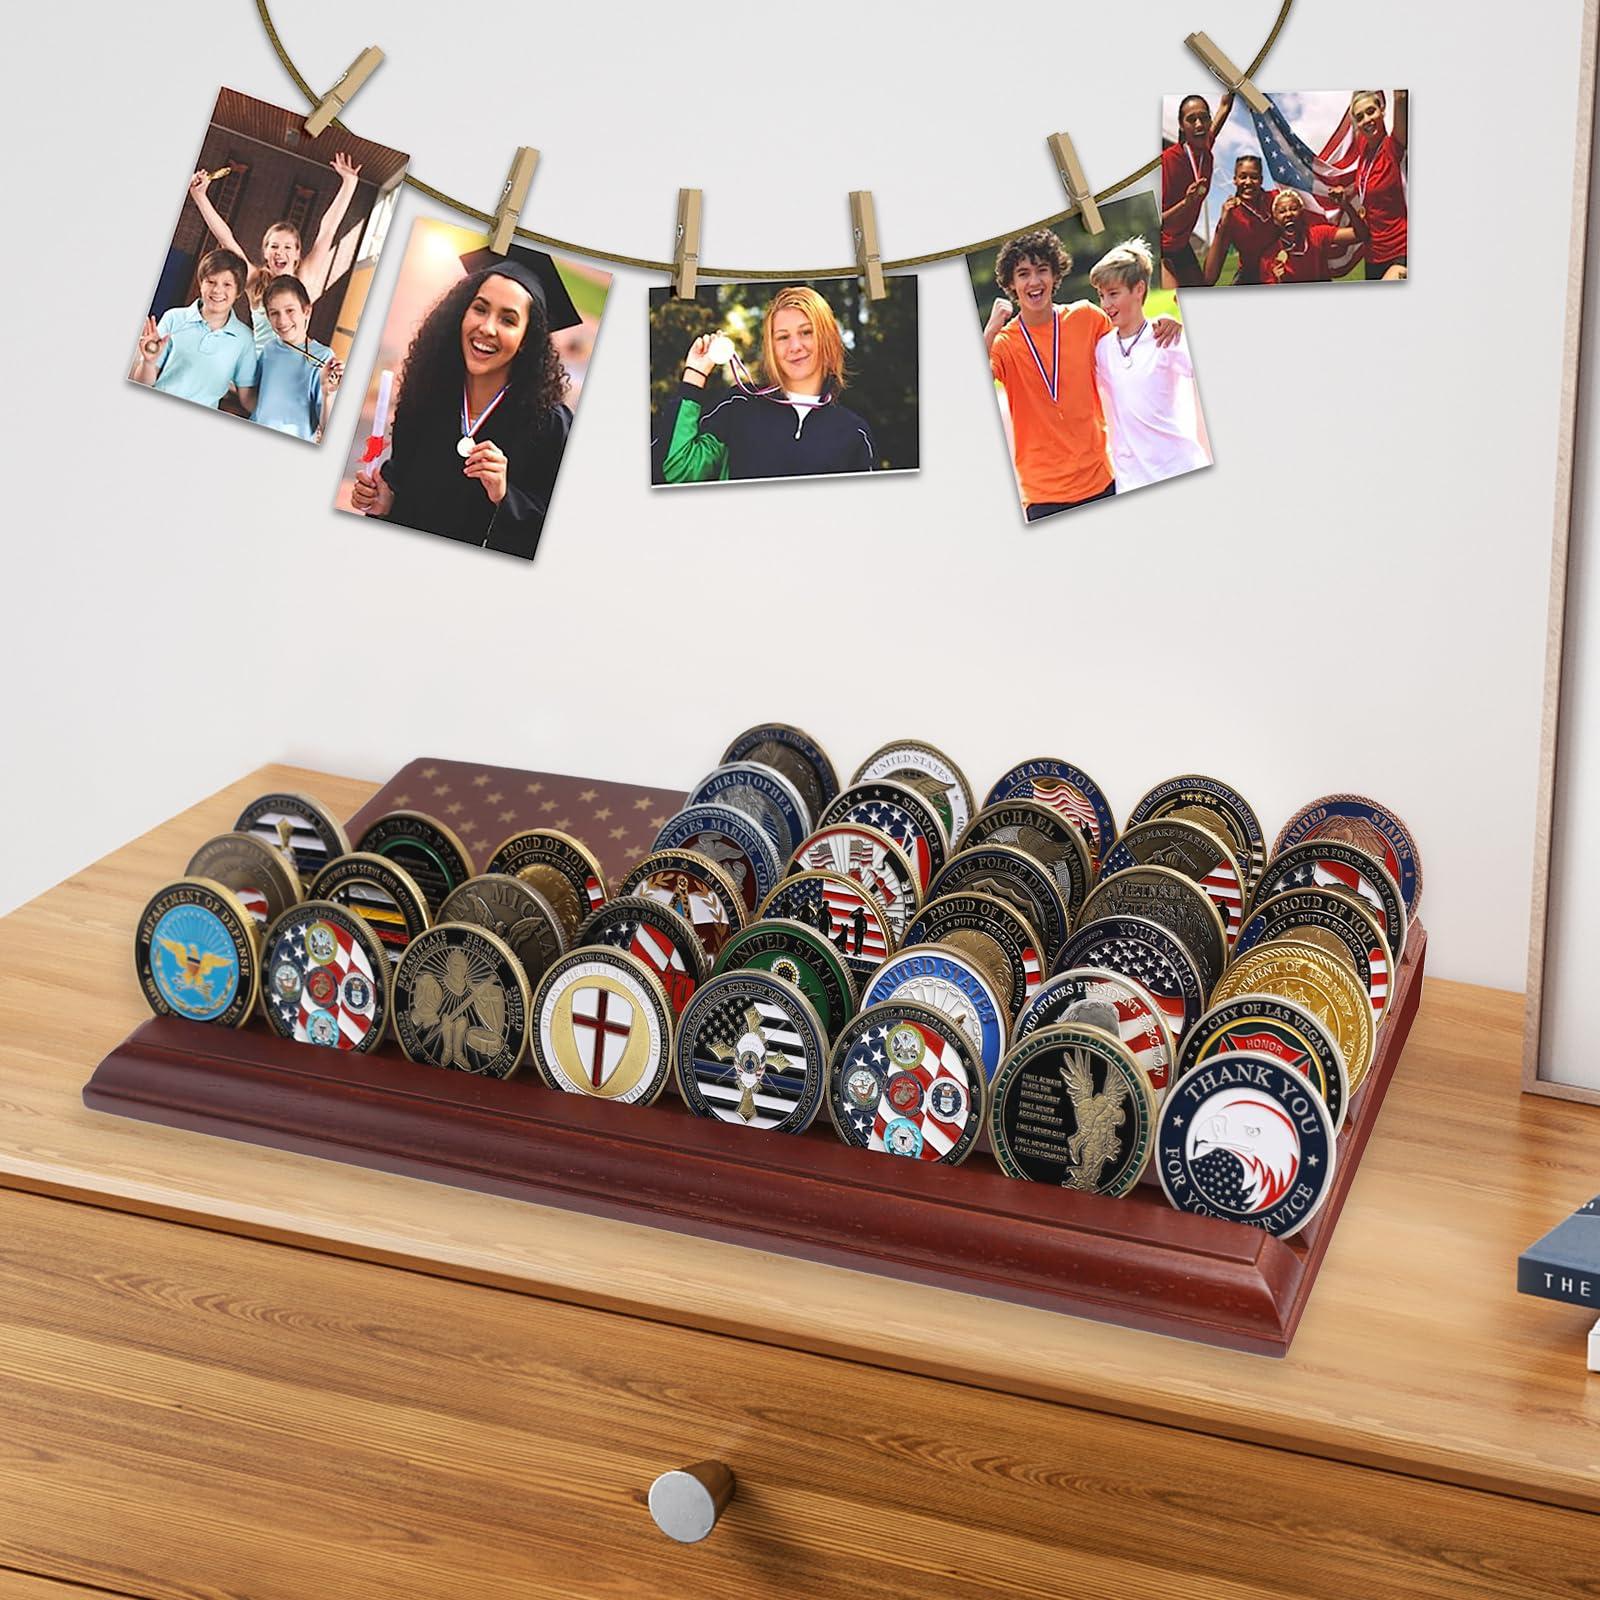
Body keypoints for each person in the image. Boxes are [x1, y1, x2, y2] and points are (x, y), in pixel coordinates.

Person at [350, 244, 580, 560]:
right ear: (462, 313)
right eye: (480, 308)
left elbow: (561, 536)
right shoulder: (426, 395)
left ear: (528, 338)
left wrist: (505, 496)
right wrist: (386, 502)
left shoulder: (550, 426)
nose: (486, 328)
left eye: (508, 320)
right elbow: (400, 481)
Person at [982, 228, 1181, 521]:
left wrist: (1161, 323)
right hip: (1043, 495)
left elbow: (1129, 341)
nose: (1034, 281)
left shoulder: (1086, 317)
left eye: (1042, 270)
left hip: (1101, 480)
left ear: (1055, 275)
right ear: (1011, 283)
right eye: (1023, 273)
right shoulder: (1004, 343)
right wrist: (990, 331)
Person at [662, 286, 875, 482]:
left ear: (827, 338)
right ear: (770, 347)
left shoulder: (854, 432)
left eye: (806, 332)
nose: (795, 346)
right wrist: (695, 373)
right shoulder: (739, 405)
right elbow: (678, 469)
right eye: (782, 337)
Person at [186, 154, 363, 349]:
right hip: (260, 364)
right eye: (274, 246)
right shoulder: (255, 281)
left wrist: (349, 183)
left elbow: (327, 230)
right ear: (265, 252)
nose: (280, 252)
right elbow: (226, 239)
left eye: (287, 247)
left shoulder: (304, 277)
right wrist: (199, 196)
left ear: (297, 254)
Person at [1089, 237, 1209, 492]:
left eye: (1113, 294)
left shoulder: (1167, 338)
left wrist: (1185, 322)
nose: (1106, 304)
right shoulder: (1102, 350)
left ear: (1139, 289)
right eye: (1101, 295)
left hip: (1178, 469)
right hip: (1131, 480)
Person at [129, 247, 259, 411]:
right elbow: (143, 383)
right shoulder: (174, 318)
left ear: (238, 292)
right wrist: (148, 362)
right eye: (211, 282)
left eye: (227, 285)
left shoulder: (245, 339)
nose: (217, 290)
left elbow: (247, 398)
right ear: (201, 283)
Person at [252, 275, 342, 442]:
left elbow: (329, 429)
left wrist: (327, 394)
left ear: (306, 311)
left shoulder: (324, 357)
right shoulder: (269, 349)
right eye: (274, 313)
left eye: (290, 310)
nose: (282, 320)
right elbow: (253, 392)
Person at [1160, 91, 1235, 287]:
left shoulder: (1205, 150)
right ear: (1182, 126)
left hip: (1181, 244)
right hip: (1161, 246)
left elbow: (1224, 108)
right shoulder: (1168, 161)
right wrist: (1186, 204)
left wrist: (1234, 87)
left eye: (1204, 117)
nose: (1199, 124)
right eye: (1191, 119)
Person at [1350, 89, 1408, 279]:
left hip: (1401, 248)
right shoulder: (1363, 156)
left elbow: (1401, 97)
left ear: (1382, 111)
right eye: (1359, 117)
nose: (1366, 119)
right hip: (1373, 255)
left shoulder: (1394, 146)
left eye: (1371, 111)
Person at [1258, 188, 1368, 285]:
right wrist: (1278, 281)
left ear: (1302, 212)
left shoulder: (1318, 234)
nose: (1288, 214)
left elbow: (1360, 235)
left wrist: (1346, 205)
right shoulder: (1270, 256)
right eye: (1282, 211)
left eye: (1293, 208)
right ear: (1275, 220)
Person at [1202, 155, 1281, 285]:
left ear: (1261, 180)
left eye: (1254, 177)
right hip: (1249, 274)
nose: (1248, 182)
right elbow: (1209, 278)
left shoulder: (1276, 199)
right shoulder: (1231, 215)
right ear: (1235, 180)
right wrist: (1222, 226)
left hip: (1278, 269)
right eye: (1243, 176)